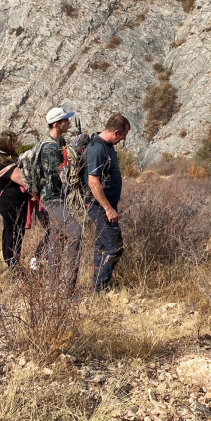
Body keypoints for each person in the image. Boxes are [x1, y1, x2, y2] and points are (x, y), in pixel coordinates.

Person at [38, 106, 83, 286]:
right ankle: (69, 284)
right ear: (56, 124)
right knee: (75, 232)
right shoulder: (49, 147)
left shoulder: (60, 142)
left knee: (57, 239)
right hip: (52, 199)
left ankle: (54, 286)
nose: (69, 123)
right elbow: (57, 174)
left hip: (58, 199)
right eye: (66, 120)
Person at [86, 113, 130, 293]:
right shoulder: (97, 148)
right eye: (124, 135)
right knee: (115, 247)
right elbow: (93, 181)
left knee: (102, 246)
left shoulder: (108, 147)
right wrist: (108, 208)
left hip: (106, 205)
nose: (124, 139)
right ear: (117, 132)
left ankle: (97, 289)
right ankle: (99, 287)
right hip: (99, 207)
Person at [0, 131, 27, 267]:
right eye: (13, 143)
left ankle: (10, 262)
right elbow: (25, 182)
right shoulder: (8, 164)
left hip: (6, 201)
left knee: (9, 231)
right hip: (12, 202)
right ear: (7, 145)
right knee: (15, 233)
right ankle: (13, 264)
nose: (16, 145)